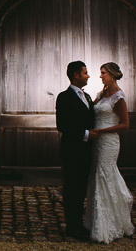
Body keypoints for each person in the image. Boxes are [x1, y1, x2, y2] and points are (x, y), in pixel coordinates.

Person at [84, 62, 134, 244]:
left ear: (112, 75)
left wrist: (102, 131)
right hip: (96, 141)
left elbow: (125, 124)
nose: (100, 76)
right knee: (96, 176)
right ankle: (96, 221)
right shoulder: (101, 94)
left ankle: (108, 225)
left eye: (103, 73)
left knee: (105, 176)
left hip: (109, 141)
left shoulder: (119, 97)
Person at [55, 61, 98, 240]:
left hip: (86, 151)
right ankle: (72, 227)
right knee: (72, 188)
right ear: (76, 75)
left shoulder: (87, 97)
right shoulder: (64, 97)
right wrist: (86, 134)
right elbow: (62, 125)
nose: (88, 76)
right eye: (85, 73)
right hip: (72, 150)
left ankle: (79, 224)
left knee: (81, 189)